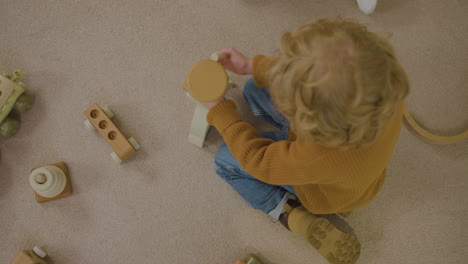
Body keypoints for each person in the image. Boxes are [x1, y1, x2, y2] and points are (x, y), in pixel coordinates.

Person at [203, 18, 409, 263]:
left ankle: (288, 213)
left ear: (310, 123)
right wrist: (253, 66)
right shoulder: (386, 90)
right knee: (253, 89)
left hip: (323, 192)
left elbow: (257, 161)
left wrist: (220, 112)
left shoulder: (316, 156)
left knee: (226, 160)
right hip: (359, 177)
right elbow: (316, 70)